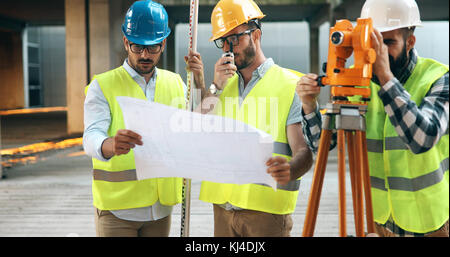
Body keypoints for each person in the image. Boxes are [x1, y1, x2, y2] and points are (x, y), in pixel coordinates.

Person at [297, 0, 448, 237]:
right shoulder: (359, 85)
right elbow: (323, 143)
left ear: (410, 42)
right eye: (373, 42)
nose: (380, 51)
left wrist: (385, 76)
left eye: (388, 42)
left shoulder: (438, 78)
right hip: (376, 222)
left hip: (428, 223)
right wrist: (308, 105)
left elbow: (423, 138)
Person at [185, 0, 313, 237]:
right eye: (222, 41)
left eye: (234, 38)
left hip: (266, 215)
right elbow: (196, 127)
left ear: (256, 35)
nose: (227, 48)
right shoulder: (221, 87)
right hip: (223, 212)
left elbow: (303, 152)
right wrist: (213, 86)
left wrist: (291, 169)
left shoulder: (290, 85)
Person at [83, 0, 191, 237]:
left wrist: (205, 84)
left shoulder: (176, 83)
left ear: (163, 44)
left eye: (152, 47)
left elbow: (191, 127)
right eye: (136, 46)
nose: (144, 55)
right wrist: (109, 144)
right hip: (118, 211)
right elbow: (90, 136)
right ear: (125, 42)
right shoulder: (102, 85)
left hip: (160, 209)